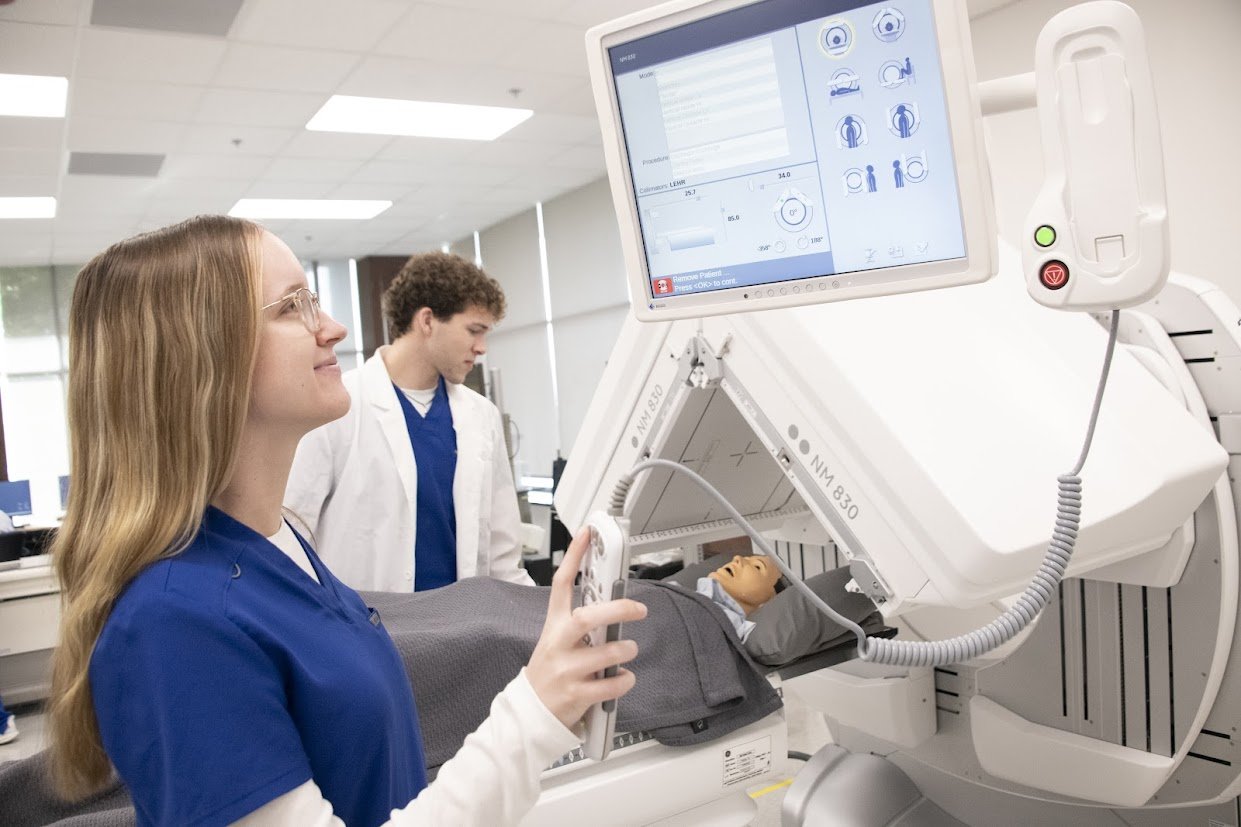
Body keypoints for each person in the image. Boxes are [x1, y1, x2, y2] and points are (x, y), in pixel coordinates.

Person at [47, 216, 646, 826]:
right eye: (292, 307)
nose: (332, 328)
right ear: (198, 357)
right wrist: (533, 715)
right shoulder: (176, 622)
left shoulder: (277, 549)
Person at [286, 252, 531, 592]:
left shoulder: (482, 416)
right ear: (427, 321)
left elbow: (504, 558)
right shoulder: (338, 407)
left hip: (463, 629)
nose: (482, 348)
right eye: (474, 330)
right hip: (364, 626)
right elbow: (293, 535)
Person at [696, 554, 783, 642]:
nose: (737, 558)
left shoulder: (721, 626)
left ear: (769, 599)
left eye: (757, 567)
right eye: (746, 558)